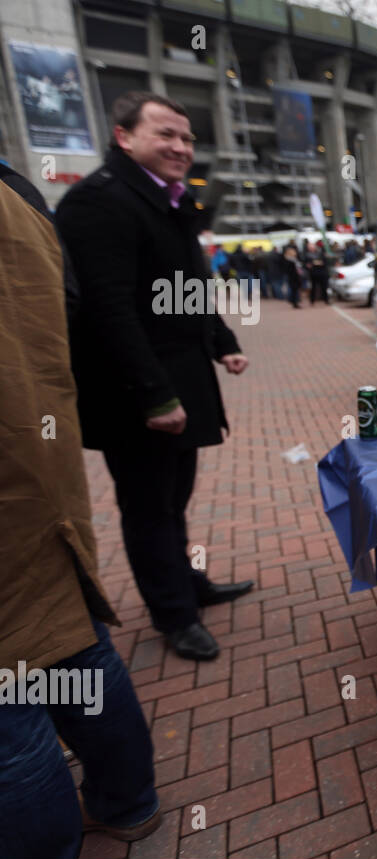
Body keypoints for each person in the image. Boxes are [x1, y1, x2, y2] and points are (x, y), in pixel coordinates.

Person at [55, 90, 255, 662]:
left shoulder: (164, 201)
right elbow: (106, 310)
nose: (180, 147)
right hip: (137, 396)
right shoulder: (98, 202)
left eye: (187, 138)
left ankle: (188, 587)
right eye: (166, 134)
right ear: (124, 137)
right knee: (147, 506)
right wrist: (153, 396)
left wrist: (223, 341)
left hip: (180, 381)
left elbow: (187, 288)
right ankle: (173, 616)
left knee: (174, 500)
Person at [0, 163, 161, 857]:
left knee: (8, 700)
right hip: (35, 454)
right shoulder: (18, 188)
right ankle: (128, 802)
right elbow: (70, 303)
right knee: (65, 633)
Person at [307, 240, 330, 305]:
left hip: (321, 272)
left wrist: (319, 263)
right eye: (309, 247)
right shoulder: (307, 254)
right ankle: (312, 301)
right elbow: (305, 263)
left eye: (312, 247)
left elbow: (325, 262)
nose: (311, 248)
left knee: (324, 287)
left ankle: (326, 300)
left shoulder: (320, 253)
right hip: (313, 273)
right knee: (313, 288)